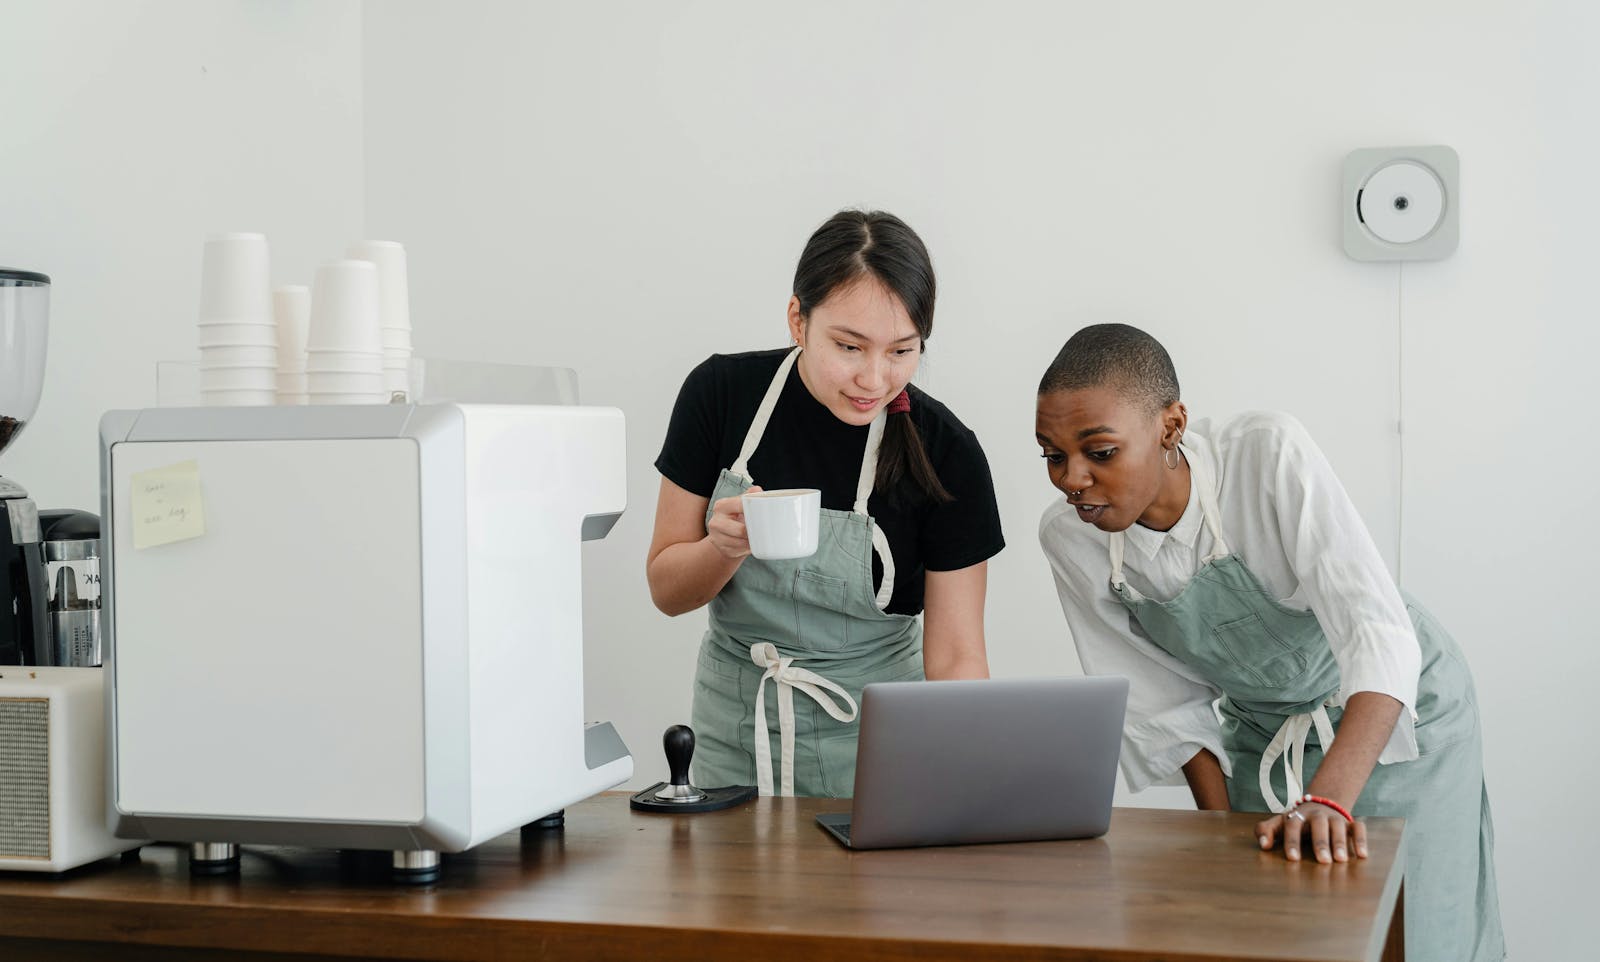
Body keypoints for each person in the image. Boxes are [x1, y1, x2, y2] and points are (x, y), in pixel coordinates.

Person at [1035, 323, 1503, 962]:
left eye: (1100, 452)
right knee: (1274, 938)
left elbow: (1378, 635)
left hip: (1399, 720)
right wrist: (1221, 840)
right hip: (1264, 735)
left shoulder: (1264, 455)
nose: (1072, 479)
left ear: (1171, 426)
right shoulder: (1071, 538)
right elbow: (1163, 710)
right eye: (1053, 455)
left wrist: (1328, 799)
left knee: (1417, 934)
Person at [648, 209, 1004, 798]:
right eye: (849, 346)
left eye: (901, 352)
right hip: (736, 739)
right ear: (797, 319)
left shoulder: (948, 453)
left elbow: (958, 656)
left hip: (880, 751)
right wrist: (721, 548)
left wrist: (968, 785)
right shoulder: (719, 397)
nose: (874, 378)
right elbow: (666, 590)